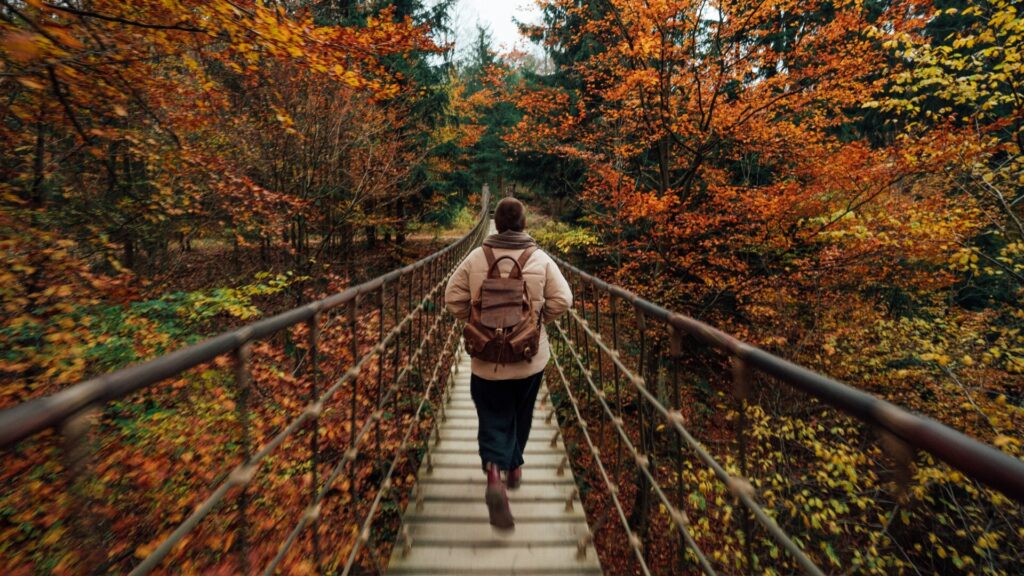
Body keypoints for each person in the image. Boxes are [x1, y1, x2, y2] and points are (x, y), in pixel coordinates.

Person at [444, 197, 573, 529]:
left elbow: (451, 298)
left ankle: (494, 475)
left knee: (492, 415)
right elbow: (563, 299)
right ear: (524, 224)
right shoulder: (540, 259)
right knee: (521, 413)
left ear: (497, 224)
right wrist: (538, 321)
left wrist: (474, 320)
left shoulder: (476, 258)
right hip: (529, 359)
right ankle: (514, 467)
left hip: (485, 360)